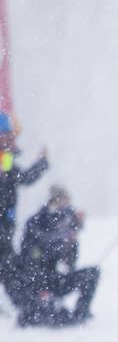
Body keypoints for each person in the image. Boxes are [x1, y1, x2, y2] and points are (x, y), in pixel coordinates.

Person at [1, 185, 100, 328]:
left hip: (54, 279)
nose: (65, 206)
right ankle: (43, 310)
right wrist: (61, 239)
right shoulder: (37, 221)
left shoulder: (66, 223)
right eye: (63, 201)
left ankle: (81, 313)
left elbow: (69, 264)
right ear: (54, 201)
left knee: (92, 273)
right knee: (48, 315)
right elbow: (32, 254)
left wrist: (72, 241)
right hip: (35, 281)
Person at [0, 111, 49, 259]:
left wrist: (41, 163)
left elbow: (18, 177)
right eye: (5, 134)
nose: (9, 139)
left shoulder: (6, 157)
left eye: (9, 135)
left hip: (6, 220)